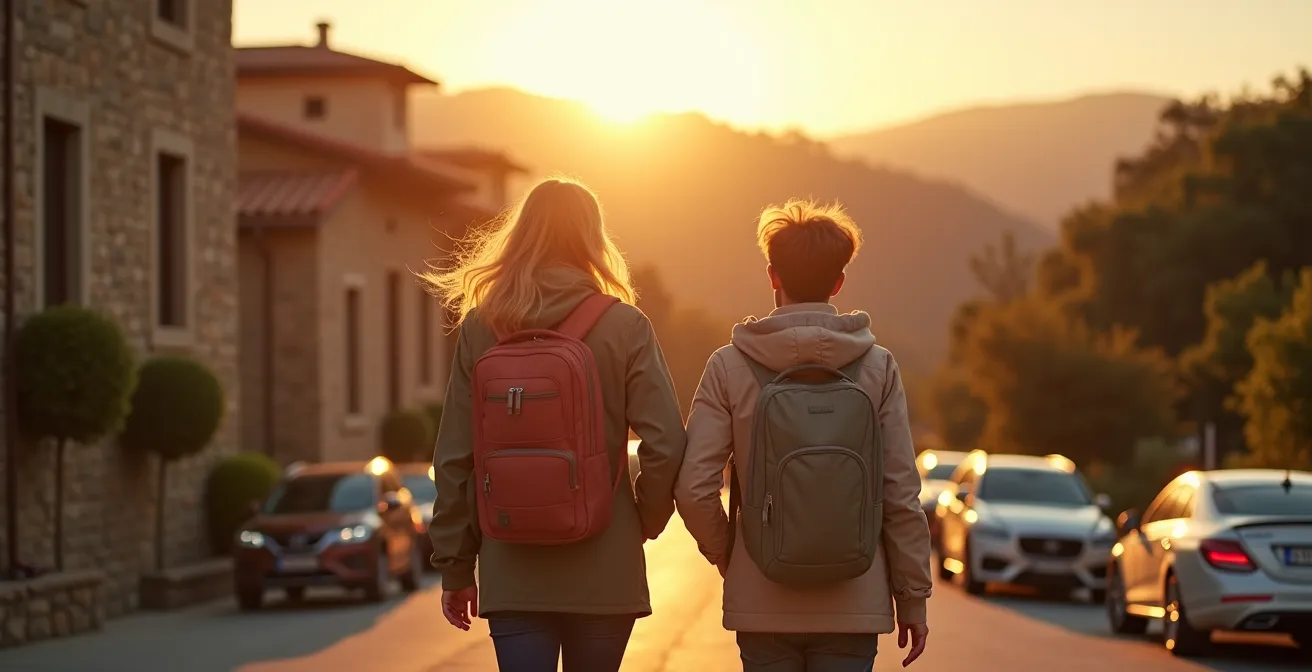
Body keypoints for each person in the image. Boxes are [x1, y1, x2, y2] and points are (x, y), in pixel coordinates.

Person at [424, 178, 687, 672]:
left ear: (521, 235)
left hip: (512, 565)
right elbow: (667, 442)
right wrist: (641, 520)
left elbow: (456, 455)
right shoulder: (624, 325)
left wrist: (455, 564)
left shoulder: (483, 325)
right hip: (604, 563)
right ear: (593, 238)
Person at [674, 199, 933, 671]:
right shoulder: (878, 367)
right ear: (839, 283)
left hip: (763, 598)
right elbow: (900, 491)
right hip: (855, 601)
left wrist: (729, 554)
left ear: (773, 275)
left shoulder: (729, 365)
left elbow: (694, 488)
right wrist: (912, 598)